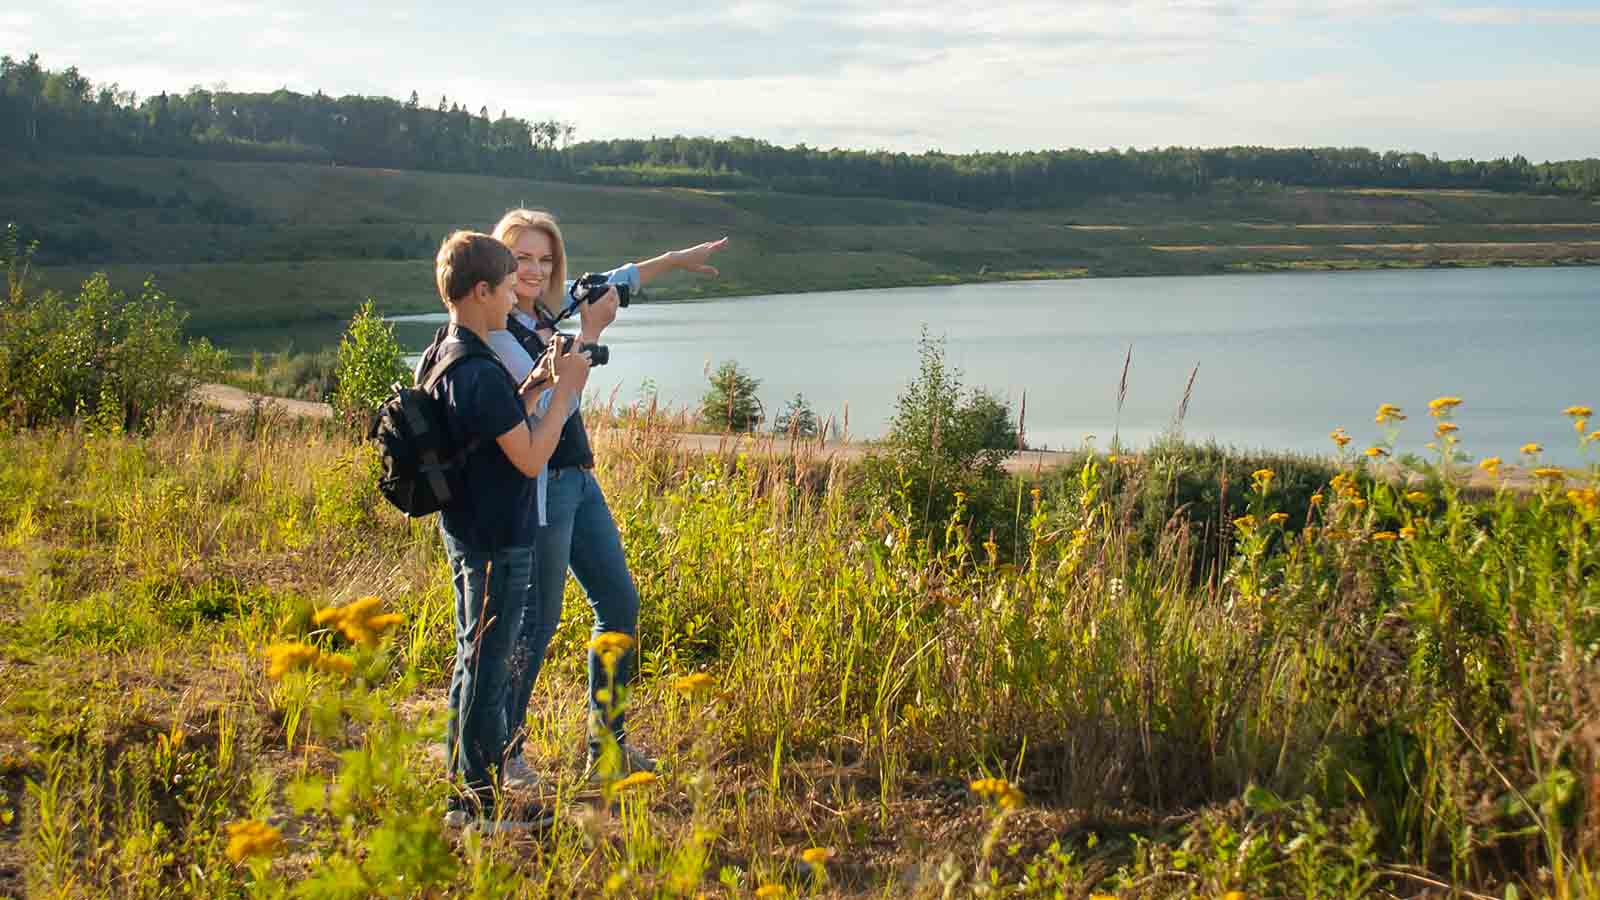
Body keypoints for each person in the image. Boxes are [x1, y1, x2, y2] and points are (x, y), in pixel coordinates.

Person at [488, 208, 728, 783]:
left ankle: (607, 744)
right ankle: (505, 751)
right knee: (536, 624)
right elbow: (548, 408)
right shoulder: (498, 334)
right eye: (521, 258)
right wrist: (590, 337)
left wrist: (672, 261)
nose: (534, 269)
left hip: (579, 480)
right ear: (498, 261)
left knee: (619, 602)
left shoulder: (550, 311)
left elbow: (615, 280)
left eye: (545, 260)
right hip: (539, 486)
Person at [420, 230, 591, 830]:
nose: (514, 304)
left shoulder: (446, 352)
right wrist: (567, 392)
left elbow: (487, 428)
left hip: (466, 529)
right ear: (480, 290)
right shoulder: (480, 371)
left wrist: (536, 386)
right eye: (504, 292)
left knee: (474, 659)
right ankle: (479, 807)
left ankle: (461, 788)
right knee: (490, 671)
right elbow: (529, 456)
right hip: (498, 537)